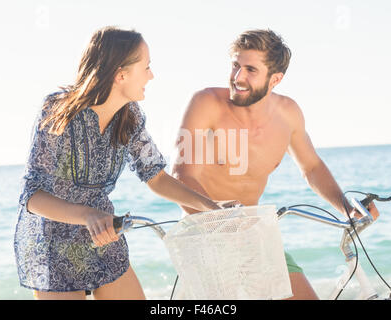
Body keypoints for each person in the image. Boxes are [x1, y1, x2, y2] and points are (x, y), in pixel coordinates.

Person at [13, 26, 234, 300]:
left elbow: (157, 177)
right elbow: (31, 195)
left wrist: (210, 208)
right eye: (147, 67)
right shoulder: (58, 111)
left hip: (103, 232)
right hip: (52, 241)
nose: (152, 75)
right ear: (121, 75)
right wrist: (87, 215)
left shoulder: (130, 117)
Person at [171, 29, 380, 300]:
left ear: (276, 79)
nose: (238, 77)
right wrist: (216, 215)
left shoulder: (288, 114)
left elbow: (312, 167)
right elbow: (181, 173)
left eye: (250, 70)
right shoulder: (206, 103)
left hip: (255, 234)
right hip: (204, 234)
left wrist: (345, 205)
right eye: (235, 66)